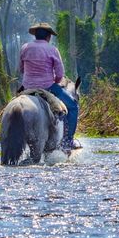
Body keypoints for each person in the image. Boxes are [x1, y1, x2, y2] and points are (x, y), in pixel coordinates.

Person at [19, 22, 80, 152]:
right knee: (73, 106)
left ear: (35, 35)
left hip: (27, 87)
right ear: (48, 37)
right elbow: (59, 75)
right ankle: (68, 140)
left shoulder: (24, 48)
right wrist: (56, 80)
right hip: (48, 87)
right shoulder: (52, 49)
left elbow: (21, 69)